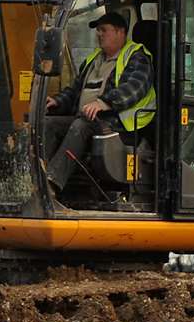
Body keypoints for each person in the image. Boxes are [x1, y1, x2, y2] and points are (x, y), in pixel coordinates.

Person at [43, 11, 156, 192]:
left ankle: (51, 183)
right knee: (48, 123)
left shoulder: (137, 56)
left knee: (81, 126)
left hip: (119, 124)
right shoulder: (94, 58)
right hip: (89, 117)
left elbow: (134, 88)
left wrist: (104, 103)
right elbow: (75, 90)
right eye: (98, 31)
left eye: (104, 30)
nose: (99, 34)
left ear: (120, 32)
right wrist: (57, 101)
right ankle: (38, 174)